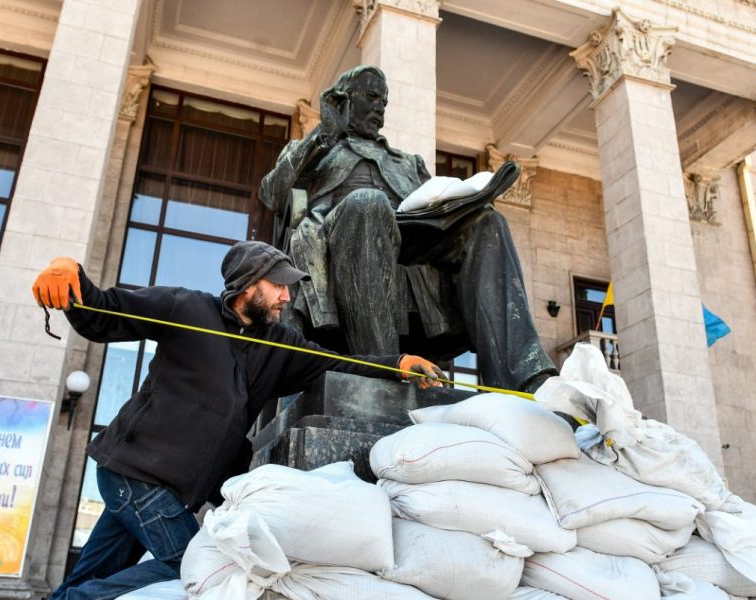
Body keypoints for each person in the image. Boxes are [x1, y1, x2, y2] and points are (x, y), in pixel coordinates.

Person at [32, 241, 443, 600]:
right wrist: (70, 275)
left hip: (166, 490)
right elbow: (108, 312)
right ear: (249, 283)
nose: (287, 296)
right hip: (137, 475)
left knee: (93, 575)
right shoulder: (186, 308)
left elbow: (334, 363)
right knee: (200, 566)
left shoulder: (279, 344)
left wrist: (398, 364)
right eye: (278, 285)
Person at [259, 65, 557, 393]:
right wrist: (323, 132)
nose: (379, 108)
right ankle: (383, 372)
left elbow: (433, 200)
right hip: (342, 235)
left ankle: (525, 379)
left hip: (410, 234)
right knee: (368, 204)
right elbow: (272, 193)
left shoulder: (407, 162)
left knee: (488, 222)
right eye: (371, 97)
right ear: (345, 99)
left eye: (383, 102)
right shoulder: (320, 147)